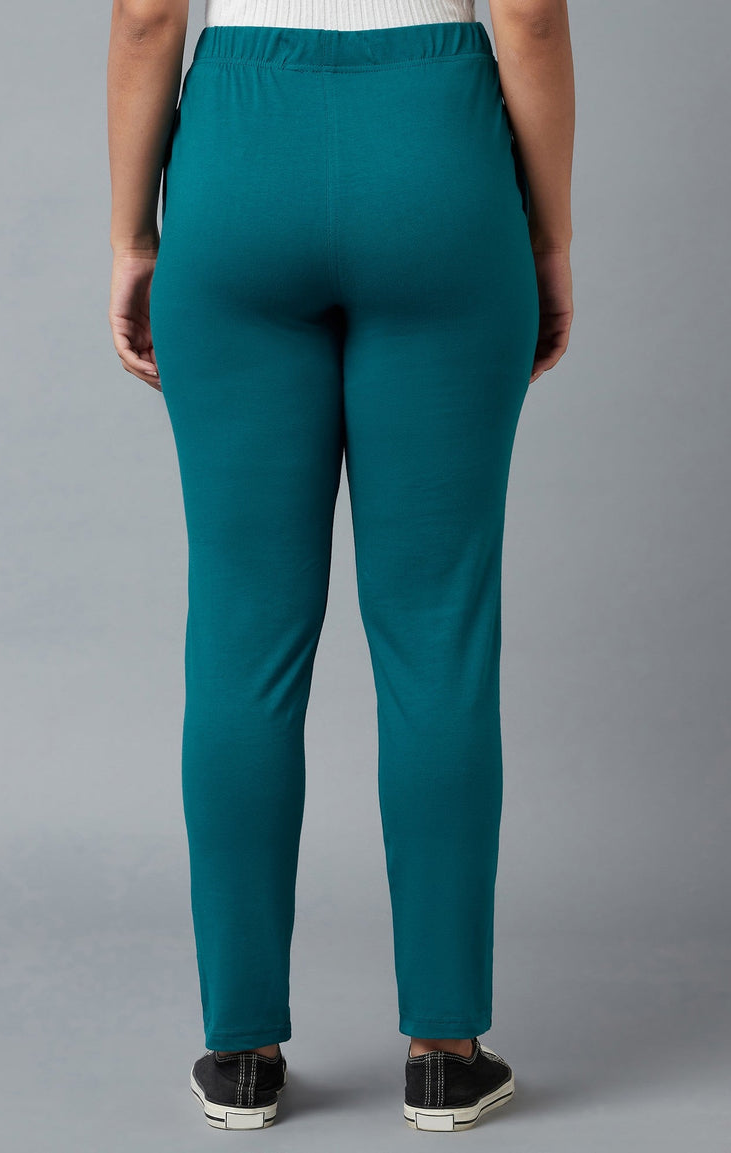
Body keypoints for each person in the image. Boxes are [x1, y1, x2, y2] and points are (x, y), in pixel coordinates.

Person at [107, 0, 573, 1133]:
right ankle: (444, 1052)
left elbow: (146, 17)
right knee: (437, 632)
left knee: (241, 629)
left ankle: (241, 1052)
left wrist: (132, 238)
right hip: (438, 154)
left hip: (237, 158)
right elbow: (527, 19)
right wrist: (548, 237)